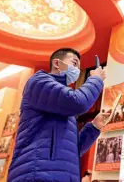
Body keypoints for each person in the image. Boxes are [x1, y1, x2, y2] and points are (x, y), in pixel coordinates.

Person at [8, 48, 106, 182]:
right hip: (37, 173)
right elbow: (79, 102)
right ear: (57, 63)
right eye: (74, 63)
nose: (77, 70)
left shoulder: (63, 105)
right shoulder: (39, 82)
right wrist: (95, 79)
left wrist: (94, 126)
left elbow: (72, 152)